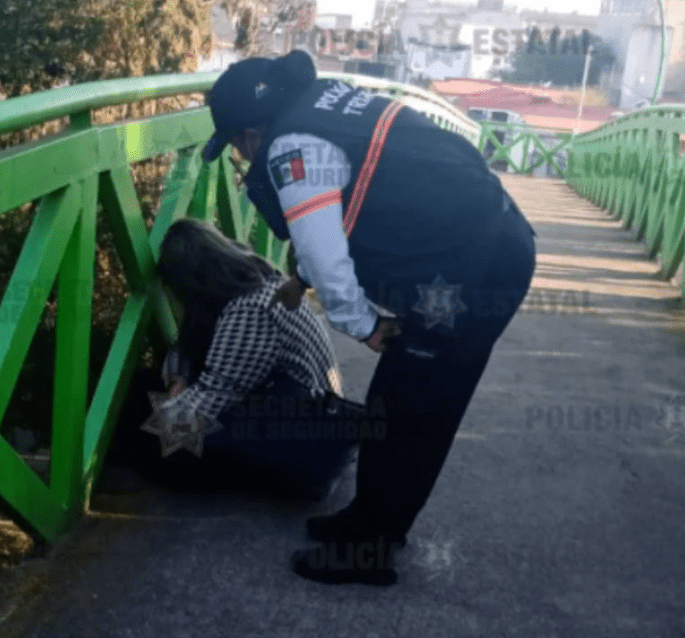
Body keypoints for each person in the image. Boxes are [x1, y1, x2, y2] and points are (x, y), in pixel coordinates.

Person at [200, 50, 537, 586]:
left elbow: (327, 256)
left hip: (471, 271)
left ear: (251, 133)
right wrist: (306, 278)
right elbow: (348, 205)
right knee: (399, 398)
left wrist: (364, 326)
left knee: (413, 410)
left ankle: (370, 546)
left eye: (237, 147)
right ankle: (368, 522)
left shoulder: (292, 148)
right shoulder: (326, 105)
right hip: (486, 244)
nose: (241, 159)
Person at [107, 218, 375, 500]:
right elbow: (184, 348)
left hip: (304, 430)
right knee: (143, 393)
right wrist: (179, 379)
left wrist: (159, 418)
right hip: (279, 398)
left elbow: (211, 397)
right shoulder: (252, 277)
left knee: (158, 450)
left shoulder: (251, 309)